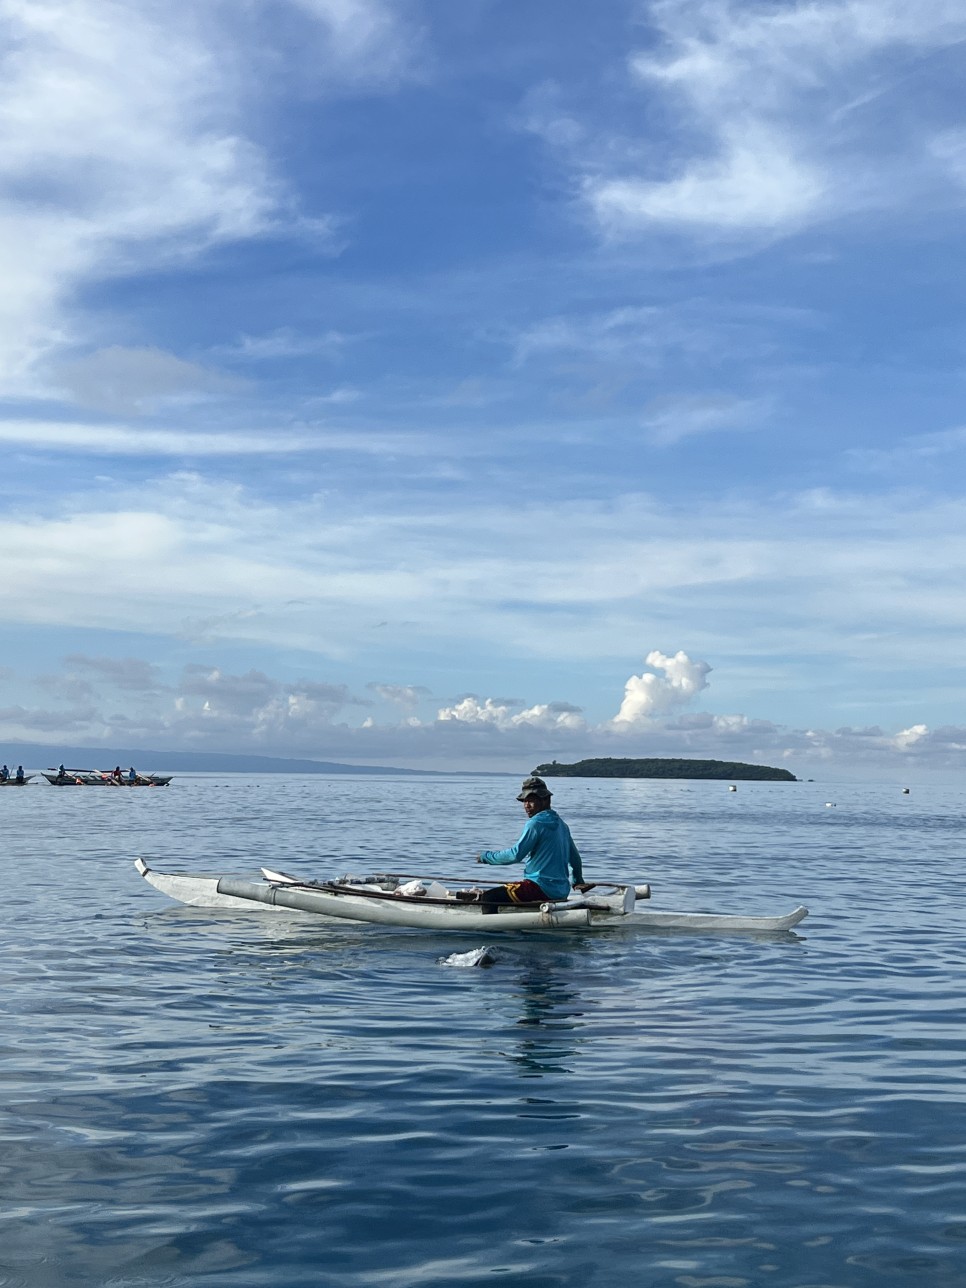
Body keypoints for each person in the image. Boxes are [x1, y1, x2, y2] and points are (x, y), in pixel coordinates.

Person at [474, 775, 586, 914]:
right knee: (509, 891)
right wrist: (577, 880)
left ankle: (490, 932)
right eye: (524, 801)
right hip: (561, 891)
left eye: (531, 801)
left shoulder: (535, 824)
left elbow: (515, 855)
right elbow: (575, 859)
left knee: (490, 896)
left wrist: (486, 857)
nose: (526, 806)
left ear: (546, 800)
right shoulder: (562, 825)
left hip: (539, 888)